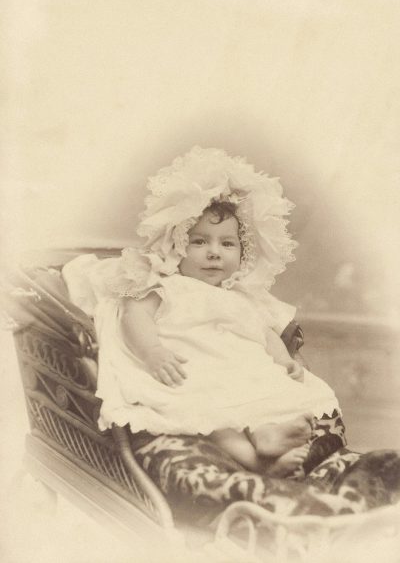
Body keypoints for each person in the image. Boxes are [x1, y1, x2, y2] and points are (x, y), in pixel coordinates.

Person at [63, 147, 341, 477]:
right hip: (189, 366)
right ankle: (255, 461)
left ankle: (267, 434)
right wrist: (152, 352)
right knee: (205, 408)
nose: (213, 253)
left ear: (243, 253)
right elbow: (133, 315)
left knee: (264, 392)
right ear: (177, 246)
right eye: (199, 242)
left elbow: (264, 333)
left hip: (235, 366)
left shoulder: (241, 295)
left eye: (227, 244)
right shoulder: (164, 283)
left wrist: (283, 361)